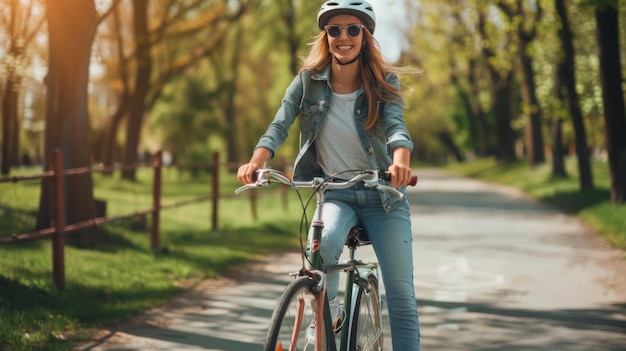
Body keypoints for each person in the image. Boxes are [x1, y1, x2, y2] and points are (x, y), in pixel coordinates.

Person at [237, 0, 420, 349]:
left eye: (353, 29)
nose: (344, 37)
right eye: (335, 30)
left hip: (383, 196)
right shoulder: (308, 82)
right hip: (334, 192)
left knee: (400, 295)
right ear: (326, 35)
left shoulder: (383, 82)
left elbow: (397, 129)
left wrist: (400, 162)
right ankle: (329, 309)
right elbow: (280, 123)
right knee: (320, 248)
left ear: (365, 36)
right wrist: (256, 161)